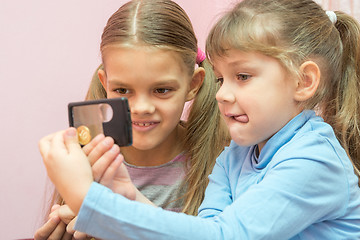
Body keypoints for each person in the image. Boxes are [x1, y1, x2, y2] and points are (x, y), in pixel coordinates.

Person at [40, 0, 360, 239]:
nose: (221, 94)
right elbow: (203, 230)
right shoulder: (233, 157)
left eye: (243, 76)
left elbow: (226, 236)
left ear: (304, 82)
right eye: (221, 80)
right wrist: (130, 197)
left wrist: (88, 200)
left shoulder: (314, 161)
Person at [34, 0, 230, 239]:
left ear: (193, 84)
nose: (141, 108)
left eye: (161, 90)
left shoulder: (219, 165)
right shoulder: (87, 162)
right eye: (123, 91)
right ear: (105, 83)